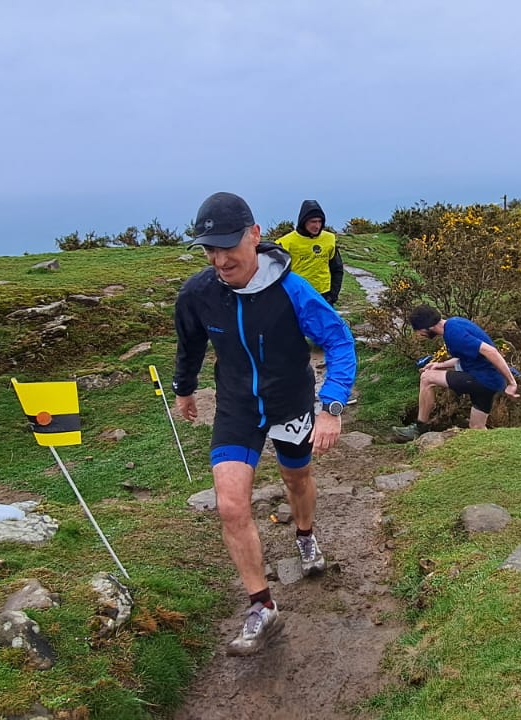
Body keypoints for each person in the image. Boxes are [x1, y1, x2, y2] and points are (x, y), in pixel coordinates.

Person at [172, 191, 357, 656]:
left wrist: (330, 405)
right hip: (236, 406)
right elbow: (190, 342)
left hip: (289, 400)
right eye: (209, 248)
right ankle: (261, 604)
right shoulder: (198, 293)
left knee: (297, 478)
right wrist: (184, 388)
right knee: (231, 505)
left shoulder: (292, 290)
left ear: (254, 236)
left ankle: (305, 535)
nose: (219, 258)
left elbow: (339, 341)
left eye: (227, 245)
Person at [395, 305, 518, 439]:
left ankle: (419, 428)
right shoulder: (454, 323)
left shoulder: (454, 335)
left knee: (427, 378)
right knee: (477, 427)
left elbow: (491, 351)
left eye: (418, 331)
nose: (419, 335)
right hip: (490, 380)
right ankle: (494, 453)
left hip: (482, 379)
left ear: (427, 327)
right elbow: (466, 358)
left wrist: (512, 382)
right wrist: (439, 365)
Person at [274, 200, 344, 306]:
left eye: (320, 221)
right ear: (304, 221)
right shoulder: (285, 243)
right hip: (297, 296)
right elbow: (276, 275)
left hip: (324, 296)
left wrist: (332, 296)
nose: (317, 226)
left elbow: (337, 269)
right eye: (313, 222)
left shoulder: (329, 239)